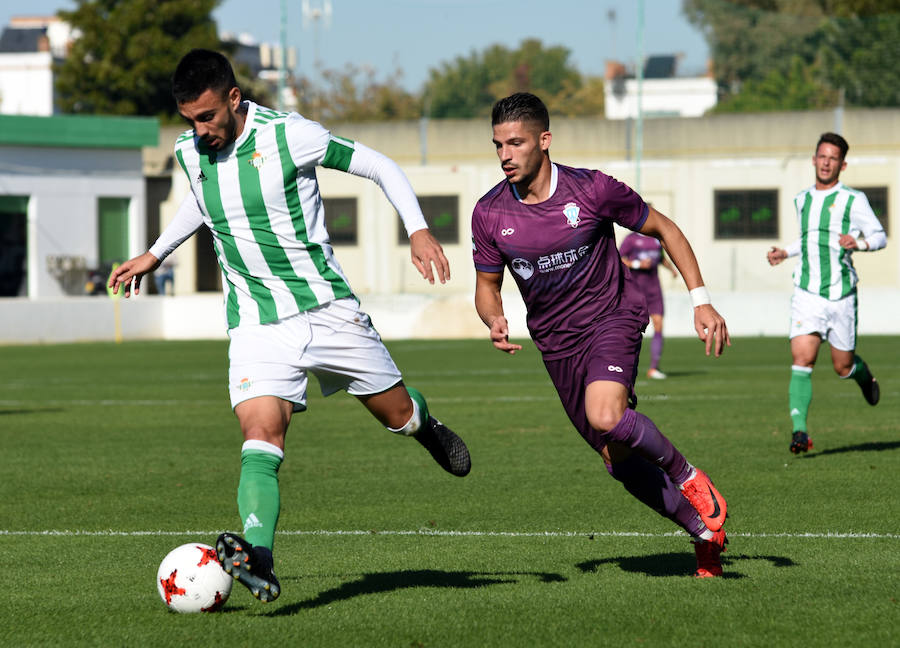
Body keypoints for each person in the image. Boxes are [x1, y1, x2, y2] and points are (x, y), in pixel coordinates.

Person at [109, 49, 471, 603]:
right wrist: (156, 254)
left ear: (234, 98)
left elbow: (379, 165)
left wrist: (418, 229)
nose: (199, 131)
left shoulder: (289, 135)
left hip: (328, 311)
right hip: (256, 322)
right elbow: (204, 203)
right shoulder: (191, 150)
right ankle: (260, 558)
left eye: (207, 116)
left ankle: (426, 424)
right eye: (189, 121)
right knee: (260, 435)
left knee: (397, 415)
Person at [472, 93, 731, 578]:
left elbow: (665, 229)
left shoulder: (591, 190)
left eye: (516, 143)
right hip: (556, 346)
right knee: (616, 458)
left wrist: (701, 300)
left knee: (606, 414)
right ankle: (703, 534)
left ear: (544, 141)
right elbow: (487, 288)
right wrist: (494, 318)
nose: (505, 155)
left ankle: (690, 477)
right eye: (498, 145)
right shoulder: (489, 214)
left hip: (612, 317)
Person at [767, 132, 885, 455]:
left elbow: (880, 236)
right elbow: (809, 238)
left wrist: (858, 243)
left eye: (833, 158)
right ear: (814, 159)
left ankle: (861, 376)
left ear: (842, 165)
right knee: (802, 358)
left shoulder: (853, 200)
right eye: (822, 156)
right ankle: (799, 432)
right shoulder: (802, 199)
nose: (826, 162)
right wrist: (785, 252)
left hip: (841, 294)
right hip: (807, 293)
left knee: (841, 366)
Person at [620, 231, 678, 379]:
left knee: (658, 324)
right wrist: (638, 264)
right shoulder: (631, 239)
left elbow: (661, 259)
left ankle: (654, 368)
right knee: (631, 329)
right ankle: (623, 367)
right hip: (635, 290)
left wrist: (672, 269)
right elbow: (620, 259)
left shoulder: (656, 240)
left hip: (654, 290)